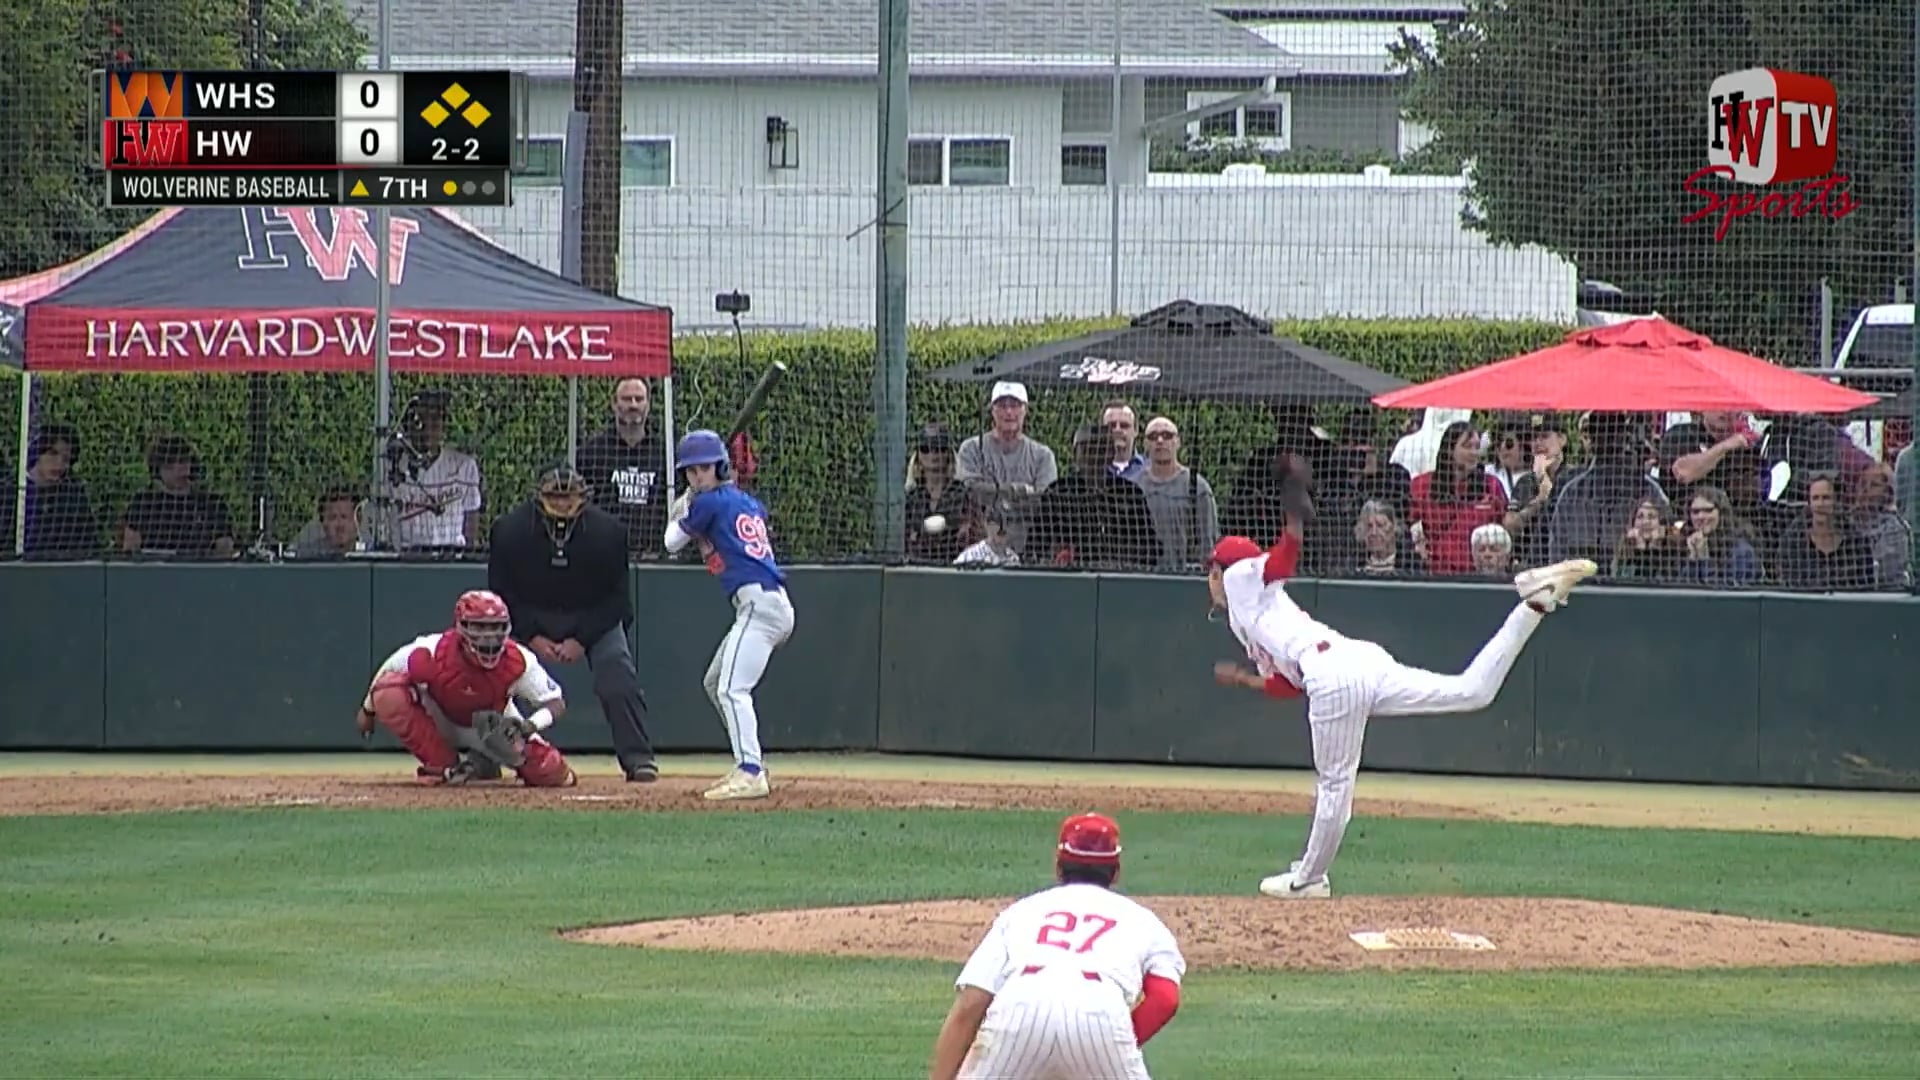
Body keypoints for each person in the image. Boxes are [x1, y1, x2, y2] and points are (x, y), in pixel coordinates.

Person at [1208, 521, 1595, 898]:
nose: (1210, 580)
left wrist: (1293, 517)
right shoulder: (1253, 614)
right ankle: (1534, 602)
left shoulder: (1238, 578)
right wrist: (1246, 680)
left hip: (1333, 673)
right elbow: (1289, 684)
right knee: (1471, 691)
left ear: (1219, 571)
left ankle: (1310, 878)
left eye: (1211, 571)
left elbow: (1280, 560)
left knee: (1334, 784)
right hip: (1356, 661)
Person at [929, 813, 1185, 1080]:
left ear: (1058, 866)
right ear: (1116, 872)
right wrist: (1112, 1043)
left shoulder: (1021, 912)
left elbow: (971, 1004)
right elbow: (1165, 999)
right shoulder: (1144, 921)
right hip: (1101, 1010)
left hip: (1021, 1005)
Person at [488, 463, 658, 782]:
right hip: (528, 617)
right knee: (488, 669)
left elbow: (618, 602)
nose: (563, 503)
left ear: (584, 497)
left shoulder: (609, 533)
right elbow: (501, 594)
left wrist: (581, 638)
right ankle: (485, 756)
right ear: (539, 497)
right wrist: (532, 634)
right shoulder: (509, 531)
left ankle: (638, 757)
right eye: (555, 496)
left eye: (570, 497)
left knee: (617, 671)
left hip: (591, 618)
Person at [664, 429, 796, 801]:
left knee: (732, 689)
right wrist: (692, 509)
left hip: (760, 607)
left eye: (704, 469)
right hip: (764, 604)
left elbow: (671, 543)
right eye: (690, 472)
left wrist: (683, 513)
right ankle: (745, 760)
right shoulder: (744, 501)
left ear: (720, 467)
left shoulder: (708, 503)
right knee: (715, 682)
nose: (697, 477)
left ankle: (751, 770)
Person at [353, 590, 578, 787]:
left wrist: (529, 726)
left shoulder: (519, 660)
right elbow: (390, 668)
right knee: (388, 693)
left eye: (495, 628)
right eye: (479, 627)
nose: (489, 637)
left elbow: (555, 702)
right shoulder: (433, 650)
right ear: (461, 627)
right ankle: (441, 765)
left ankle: (482, 762)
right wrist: (367, 710)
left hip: (490, 729)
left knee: (552, 772)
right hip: (437, 717)